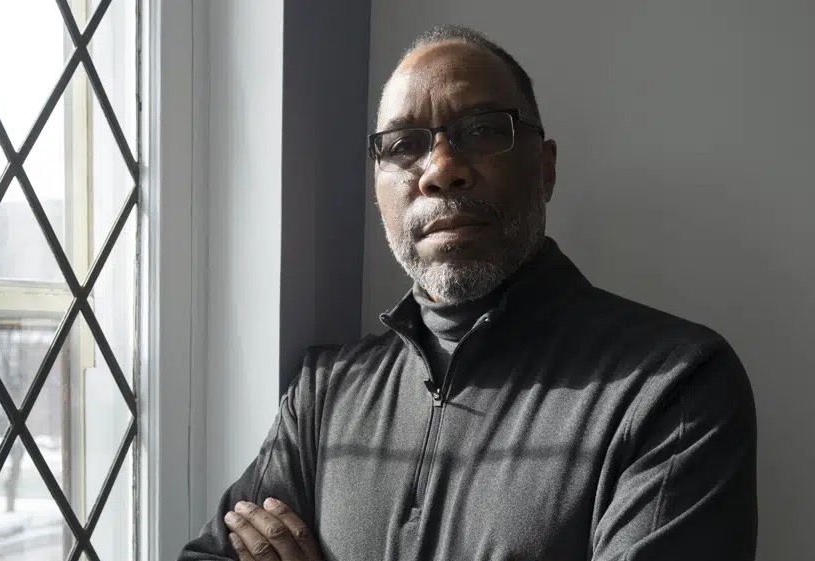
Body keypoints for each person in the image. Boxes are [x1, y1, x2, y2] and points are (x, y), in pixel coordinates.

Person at [179, 24, 757, 561]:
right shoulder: (325, 395)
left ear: (545, 169)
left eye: (481, 131)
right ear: (378, 186)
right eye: (403, 145)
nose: (440, 170)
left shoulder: (672, 386)